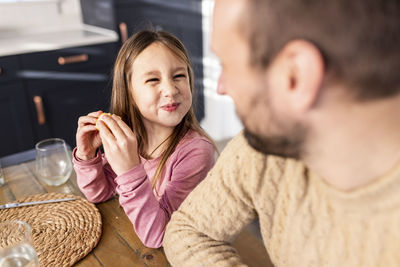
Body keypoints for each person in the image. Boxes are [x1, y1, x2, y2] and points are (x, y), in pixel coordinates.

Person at [164, 0, 400, 266]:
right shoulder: (267, 145)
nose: (220, 87)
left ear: (296, 76)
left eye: (227, 65)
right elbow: (189, 229)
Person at [72, 30, 216, 248]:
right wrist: (87, 156)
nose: (170, 89)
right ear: (129, 92)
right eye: (152, 79)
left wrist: (129, 169)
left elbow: (159, 237)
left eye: (179, 76)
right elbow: (99, 194)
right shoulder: (130, 138)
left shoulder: (196, 151)